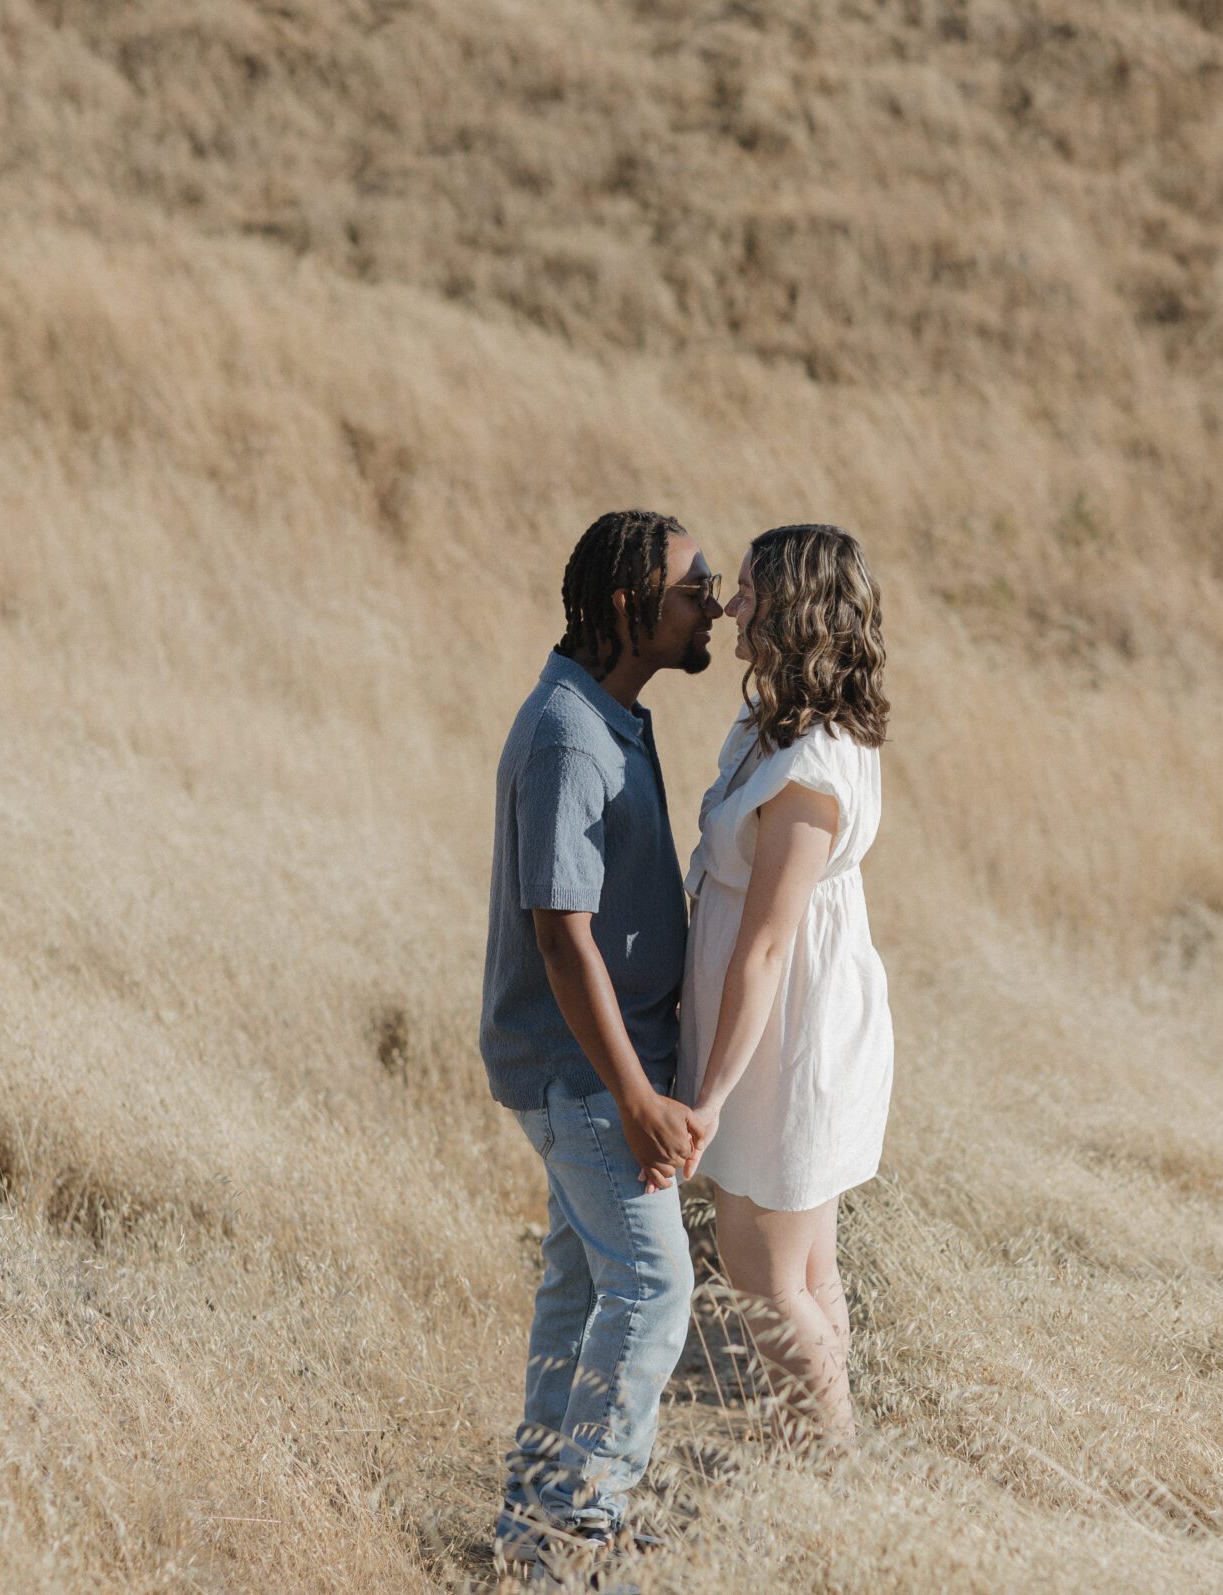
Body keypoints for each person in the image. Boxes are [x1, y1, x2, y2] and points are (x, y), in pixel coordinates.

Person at [480, 508, 727, 1582]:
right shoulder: (568, 735)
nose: (714, 601)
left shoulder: (610, 712)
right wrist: (634, 1092)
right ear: (631, 609)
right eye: (693, 586)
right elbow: (560, 933)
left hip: (598, 1065)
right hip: (584, 1072)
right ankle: (580, 1534)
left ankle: (528, 1525)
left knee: (581, 1289)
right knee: (652, 1287)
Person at [677, 523, 894, 1455]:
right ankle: (817, 1460)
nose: (730, 605)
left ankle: (834, 1472)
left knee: (764, 1272)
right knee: (805, 1266)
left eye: (752, 594)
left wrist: (708, 1099)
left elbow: (765, 947)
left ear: (795, 611)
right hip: (780, 1023)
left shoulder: (809, 769)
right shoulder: (780, 723)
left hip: (785, 1040)